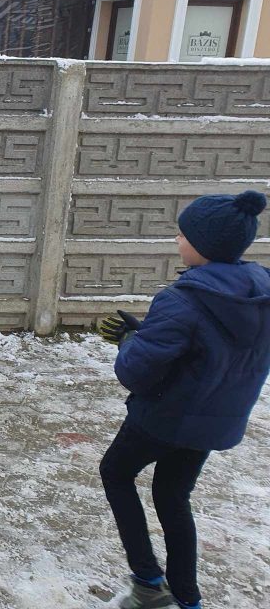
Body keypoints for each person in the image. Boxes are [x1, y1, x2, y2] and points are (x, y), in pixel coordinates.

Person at [97, 190, 270, 609]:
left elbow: (134, 372)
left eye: (184, 234)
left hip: (163, 417)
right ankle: (188, 600)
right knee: (173, 496)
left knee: (115, 473)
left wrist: (130, 340)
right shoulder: (260, 294)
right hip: (213, 421)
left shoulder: (182, 300)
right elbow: (211, 350)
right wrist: (148, 334)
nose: (177, 239)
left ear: (205, 245)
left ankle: (147, 582)